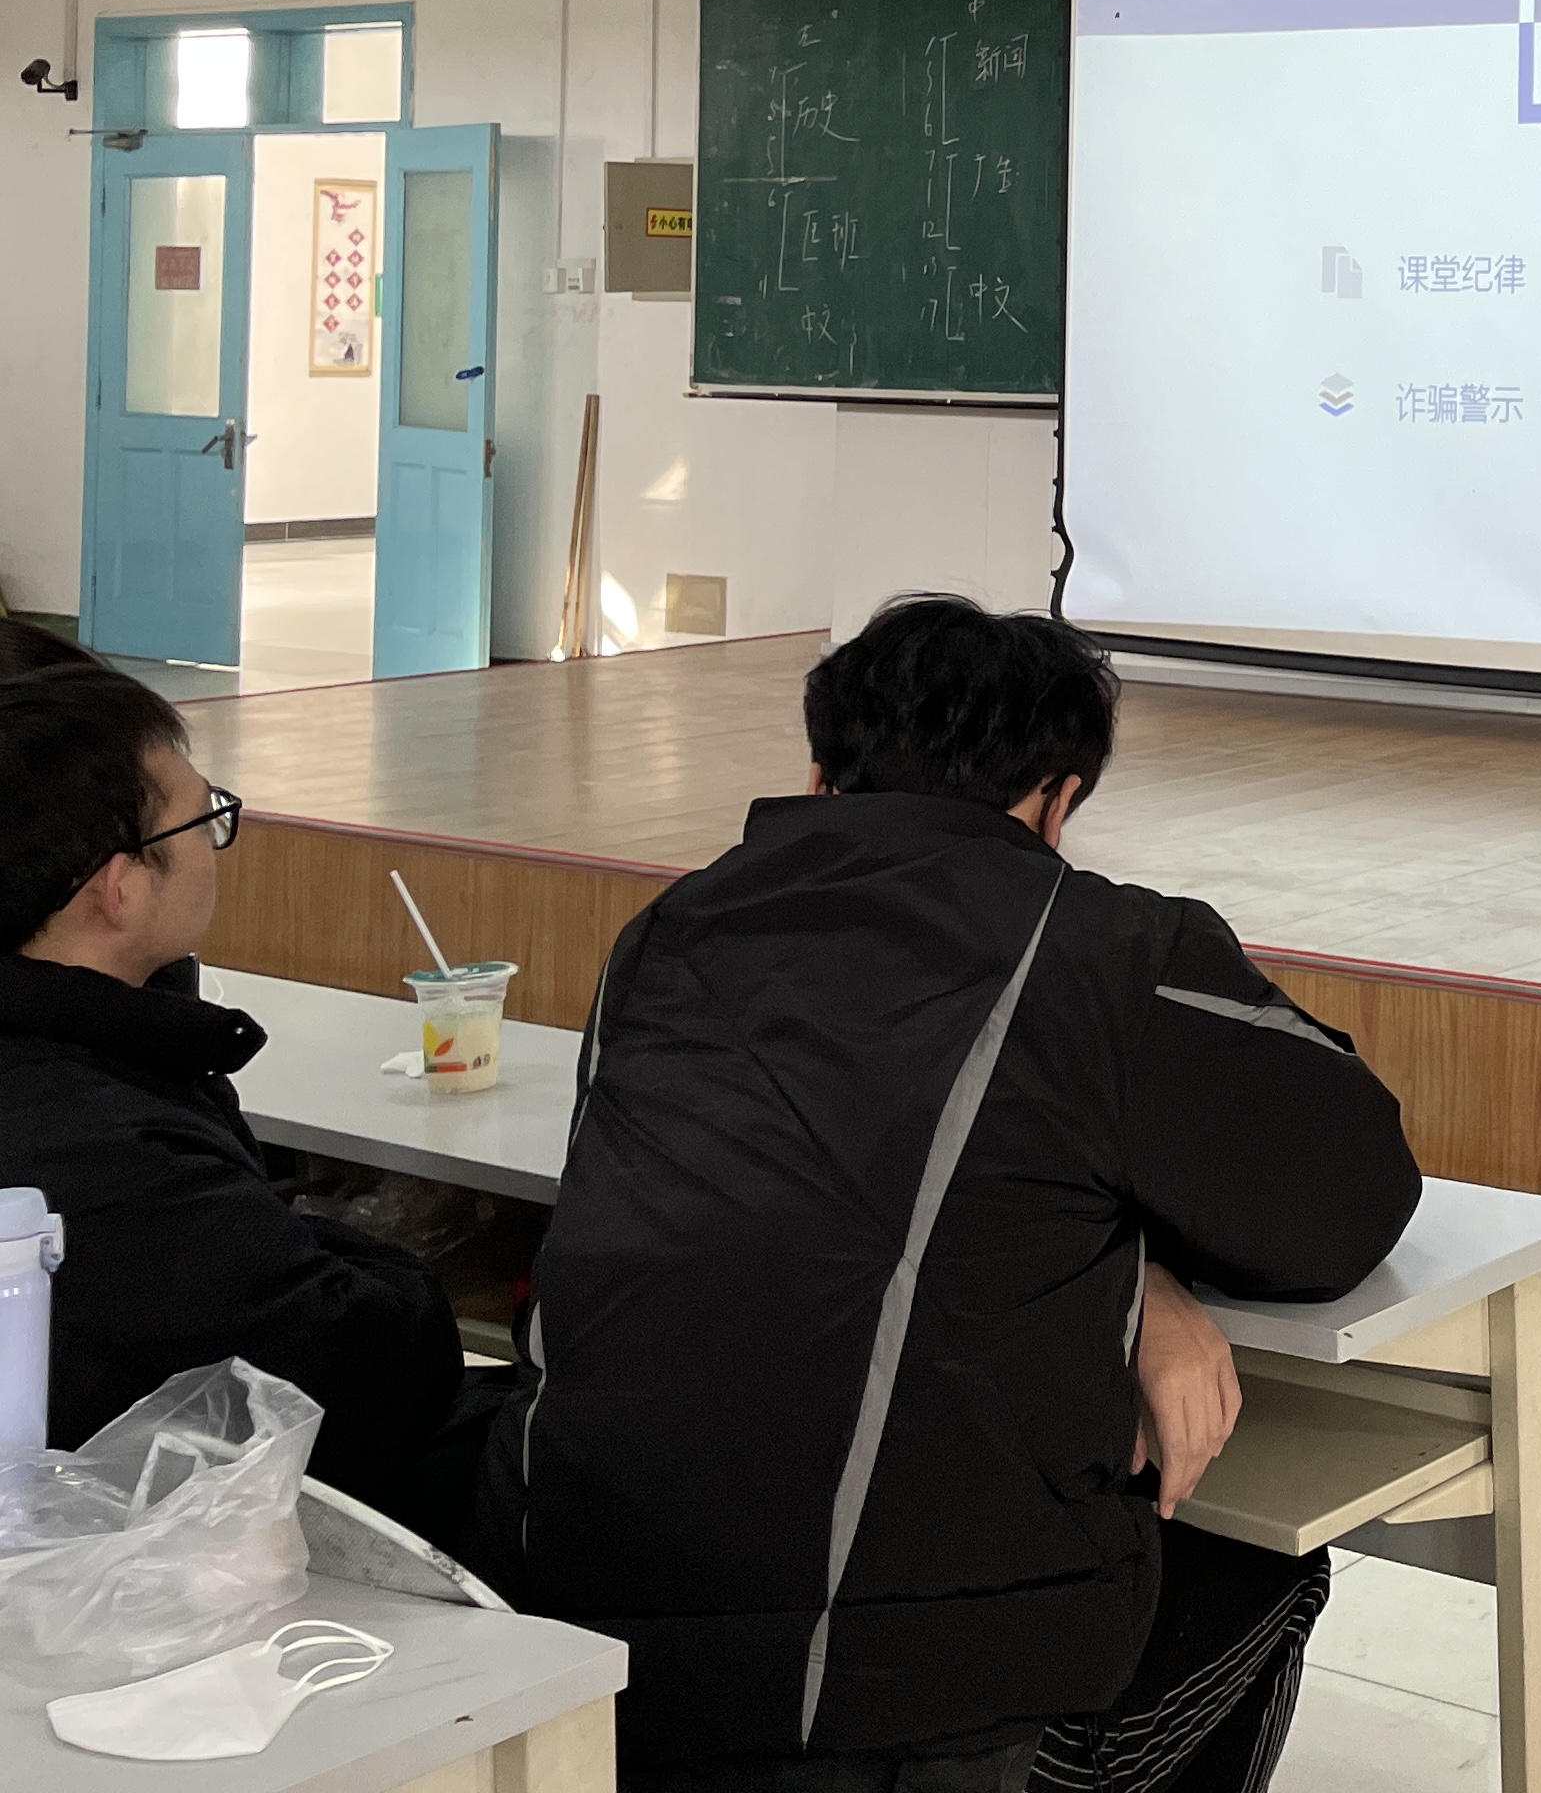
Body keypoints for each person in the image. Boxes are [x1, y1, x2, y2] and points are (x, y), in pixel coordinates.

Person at [484, 597, 1424, 1793]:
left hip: (585, 1619)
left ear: (820, 774)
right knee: (1262, 1572)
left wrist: (1132, 1274)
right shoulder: (1107, 951)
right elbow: (1345, 1202)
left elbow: (837, 1184)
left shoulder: (667, 932)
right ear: (1058, 800)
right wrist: (1143, 1269)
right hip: (895, 1689)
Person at [0, 659, 478, 1531]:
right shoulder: (111, 1152)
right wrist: (352, 1254)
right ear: (117, 887)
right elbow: (371, 1369)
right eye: (204, 819)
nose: (215, 844)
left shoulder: (93, 1075)